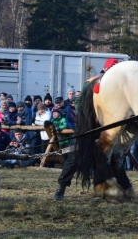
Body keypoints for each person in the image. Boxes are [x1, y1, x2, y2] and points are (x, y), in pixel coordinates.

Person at [54, 58, 119, 200]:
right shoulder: (92, 82)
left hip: (104, 126)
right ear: (107, 69)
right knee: (74, 158)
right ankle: (61, 188)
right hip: (87, 125)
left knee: (103, 158)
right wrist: (91, 116)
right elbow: (78, 102)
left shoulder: (116, 84)